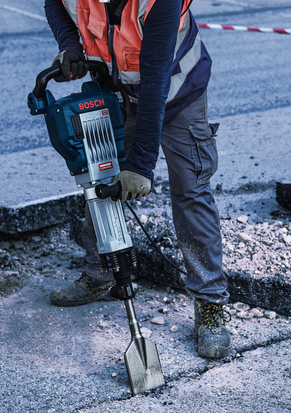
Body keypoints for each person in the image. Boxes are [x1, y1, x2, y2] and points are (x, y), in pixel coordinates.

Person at [43, 0, 230, 359]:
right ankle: (100, 273)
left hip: (177, 93)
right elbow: (55, 2)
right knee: (99, 175)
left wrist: (141, 166)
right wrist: (69, 45)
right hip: (116, 90)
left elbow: (156, 74)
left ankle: (210, 301)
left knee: (190, 190)